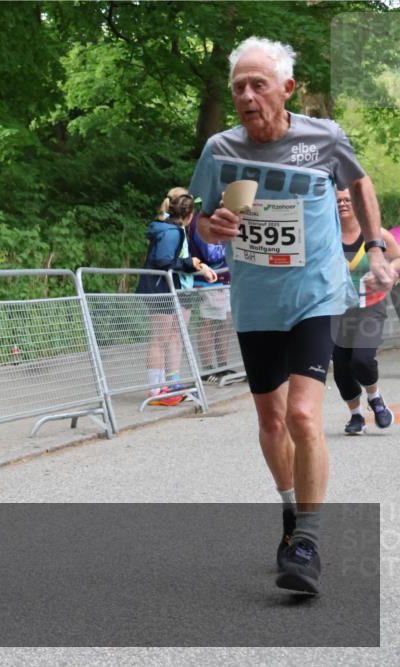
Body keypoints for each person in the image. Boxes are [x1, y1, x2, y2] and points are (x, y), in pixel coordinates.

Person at [192, 37, 398, 595]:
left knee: (303, 416)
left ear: (285, 89)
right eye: (238, 87)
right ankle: (290, 510)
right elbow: (202, 219)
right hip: (257, 301)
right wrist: (213, 227)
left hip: (315, 294)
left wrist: (376, 248)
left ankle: (307, 540)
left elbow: (360, 182)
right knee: (271, 422)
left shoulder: (324, 138)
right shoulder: (220, 149)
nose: (246, 96)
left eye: (258, 85)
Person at [136, 188, 217, 407]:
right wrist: (190, 263)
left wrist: (196, 265)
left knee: (171, 337)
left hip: (172, 288)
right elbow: (164, 261)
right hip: (159, 290)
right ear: (189, 215)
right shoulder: (171, 232)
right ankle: (156, 390)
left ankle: (170, 385)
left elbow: (175, 260)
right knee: (159, 339)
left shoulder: (175, 229)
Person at [332, 189, 399, 434]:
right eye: (338, 200)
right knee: (341, 367)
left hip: (371, 306)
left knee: (362, 359)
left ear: (358, 204)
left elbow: (397, 258)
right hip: (337, 309)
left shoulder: (375, 234)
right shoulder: (326, 235)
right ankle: (356, 416)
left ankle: (375, 398)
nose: (342, 204)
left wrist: (387, 272)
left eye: (347, 200)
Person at [188, 209, 235, 383]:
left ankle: (222, 367)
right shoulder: (200, 221)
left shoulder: (221, 217)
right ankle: (208, 370)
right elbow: (211, 254)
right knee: (208, 323)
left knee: (225, 323)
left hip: (225, 280)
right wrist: (232, 244)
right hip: (208, 281)